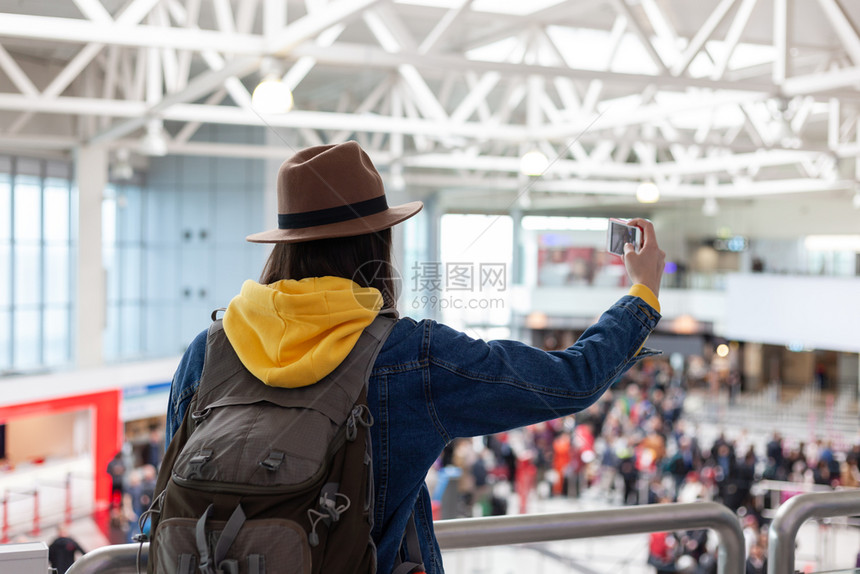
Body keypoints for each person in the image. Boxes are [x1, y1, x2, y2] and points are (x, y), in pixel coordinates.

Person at [163, 141, 665, 574]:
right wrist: (641, 294)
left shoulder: (209, 351)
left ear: (285, 245)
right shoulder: (410, 356)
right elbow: (570, 379)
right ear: (378, 241)